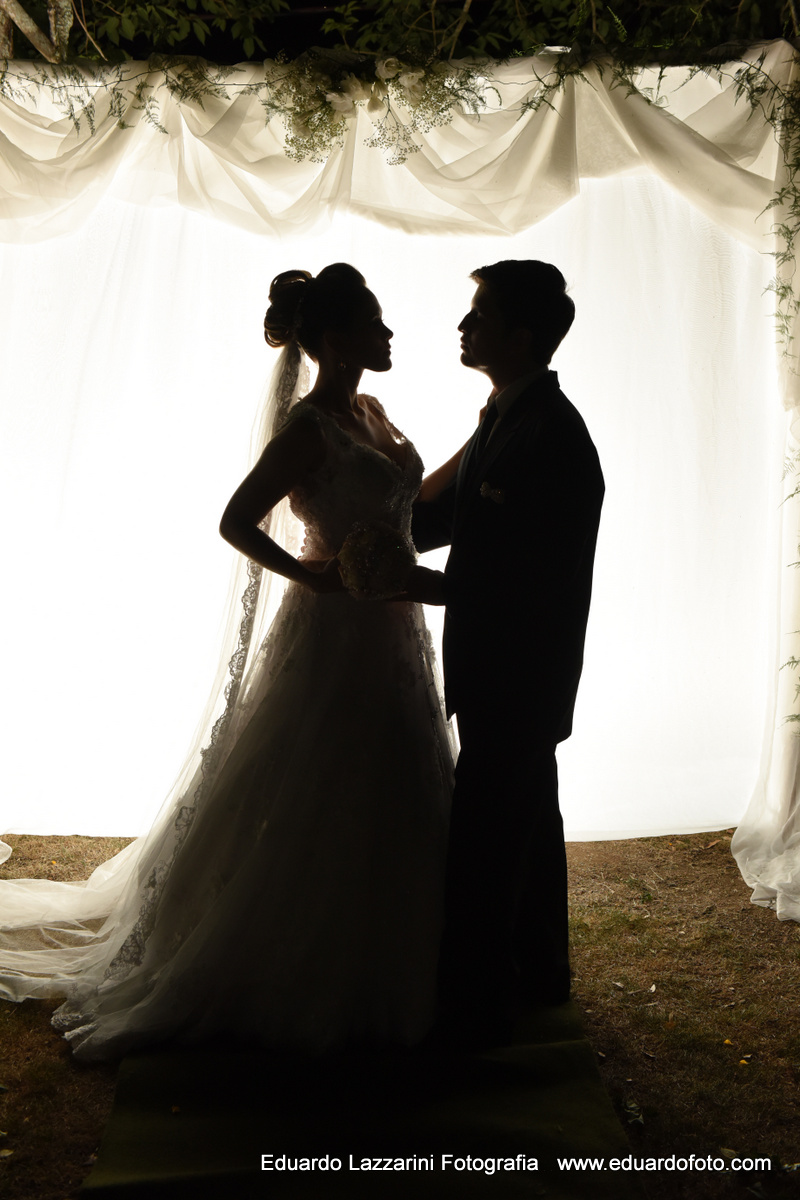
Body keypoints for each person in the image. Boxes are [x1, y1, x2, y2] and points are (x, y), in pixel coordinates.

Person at [0, 264, 453, 1059]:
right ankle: (293, 959)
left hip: (397, 626)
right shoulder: (310, 429)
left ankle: (401, 950)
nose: (389, 335)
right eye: (376, 322)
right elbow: (238, 520)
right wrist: (311, 571)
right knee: (324, 780)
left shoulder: (372, 410)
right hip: (335, 633)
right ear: (338, 338)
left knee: (395, 775)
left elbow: (401, 507)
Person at [408, 259, 604, 1044]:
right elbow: (439, 516)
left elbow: (512, 576)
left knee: (487, 839)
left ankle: (477, 1009)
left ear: (521, 336)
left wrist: (401, 583)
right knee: (527, 823)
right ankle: (540, 974)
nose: (464, 326)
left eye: (480, 315)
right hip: (505, 666)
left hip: (521, 669)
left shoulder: (552, 435)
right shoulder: (505, 413)